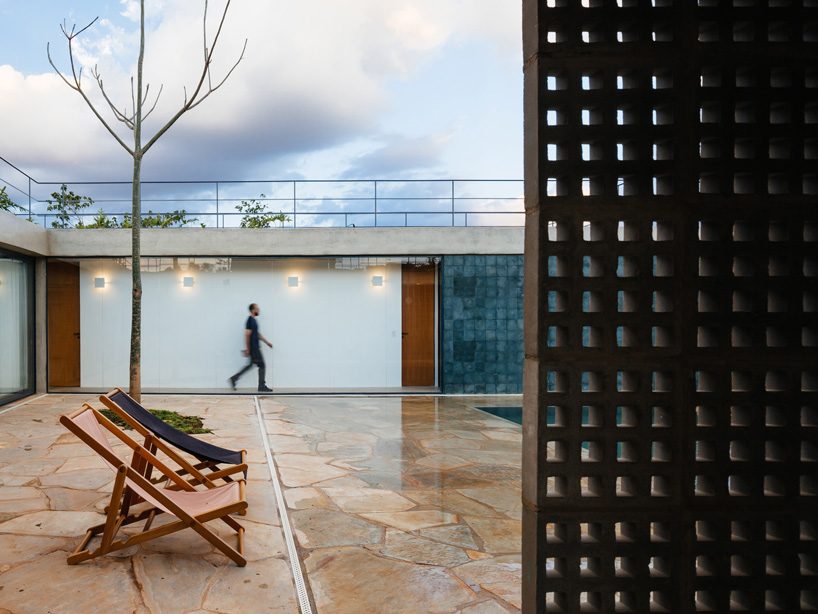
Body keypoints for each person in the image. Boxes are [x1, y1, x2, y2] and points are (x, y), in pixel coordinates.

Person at [229, 303, 273, 392]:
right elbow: (247, 335)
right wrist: (248, 349)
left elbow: (257, 334)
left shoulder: (254, 320)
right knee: (262, 365)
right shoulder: (250, 320)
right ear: (253, 310)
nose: (259, 310)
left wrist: (267, 342)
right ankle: (261, 386)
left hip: (255, 347)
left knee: (250, 365)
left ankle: (234, 378)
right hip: (254, 348)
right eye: (257, 308)